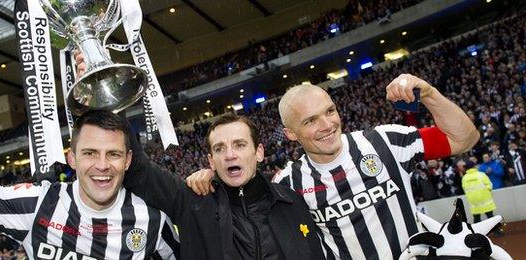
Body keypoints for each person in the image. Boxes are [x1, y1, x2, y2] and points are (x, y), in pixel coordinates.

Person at [187, 74, 479, 259]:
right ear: (291, 134)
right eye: (310, 120)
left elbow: (464, 139)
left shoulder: (386, 142)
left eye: (330, 111)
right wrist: (210, 177)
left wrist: (428, 94)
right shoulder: (288, 183)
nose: (327, 125)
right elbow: (242, 196)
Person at [0, 106, 179, 259]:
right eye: (89, 153)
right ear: (71, 158)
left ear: (128, 160)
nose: (102, 165)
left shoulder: (152, 218)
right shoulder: (35, 203)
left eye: (113, 154)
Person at [123, 114, 328, 259]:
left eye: (239, 145)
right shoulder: (192, 201)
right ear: (211, 161)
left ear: (259, 152)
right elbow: (137, 170)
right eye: (220, 149)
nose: (230, 155)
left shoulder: (291, 201)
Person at [461, 161, 504, 237]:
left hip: (474, 202)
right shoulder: (481, 175)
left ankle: (477, 235)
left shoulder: (465, 178)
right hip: (485, 200)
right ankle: (496, 232)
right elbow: (490, 185)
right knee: (490, 217)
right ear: (474, 167)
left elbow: (465, 189)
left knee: (477, 219)